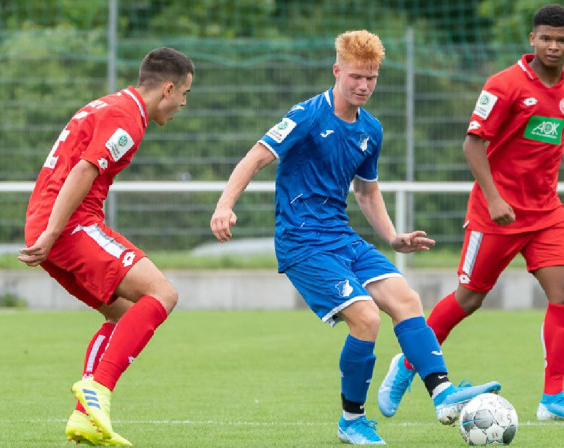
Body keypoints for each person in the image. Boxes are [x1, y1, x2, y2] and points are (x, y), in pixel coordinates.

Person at [210, 30, 500, 445]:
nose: (363, 86)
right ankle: (351, 421)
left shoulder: (371, 129)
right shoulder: (308, 115)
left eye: (372, 78)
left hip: (341, 237)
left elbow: (366, 190)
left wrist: (393, 237)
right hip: (302, 242)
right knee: (365, 317)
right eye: (355, 77)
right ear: (336, 71)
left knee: (407, 299)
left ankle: (443, 395)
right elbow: (255, 157)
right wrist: (224, 206)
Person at [377, 4, 564, 422]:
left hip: (546, 212)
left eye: (562, 39)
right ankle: (407, 365)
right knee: (470, 298)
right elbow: (472, 144)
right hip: (494, 213)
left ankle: (553, 398)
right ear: (532, 40)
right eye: (546, 38)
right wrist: (494, 198)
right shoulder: (504, 84)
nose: (553, 46)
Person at [18, 47, 194, 445]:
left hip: (51, 224)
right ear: (167, 88)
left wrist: (46, 230)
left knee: (126, 316)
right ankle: (99, 387)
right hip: (68, 225)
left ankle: (85, 418)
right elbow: (84, 169)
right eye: (184, 93)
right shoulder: (128, 118)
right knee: (162, 293)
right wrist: (53, 232)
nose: (184, 103)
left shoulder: (111, 105)